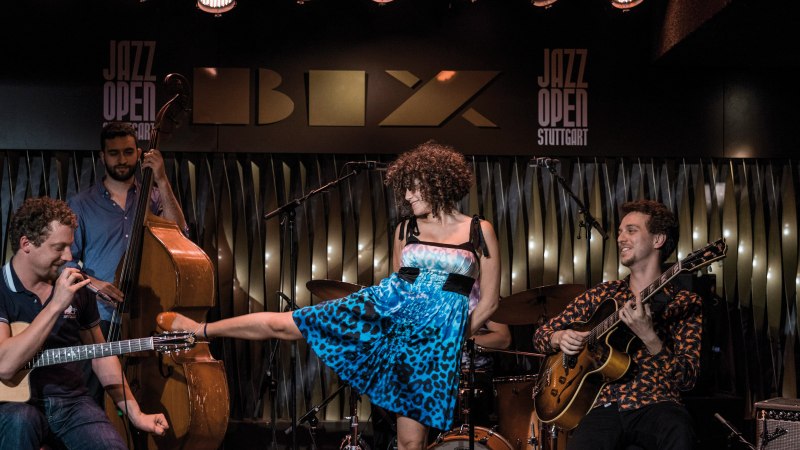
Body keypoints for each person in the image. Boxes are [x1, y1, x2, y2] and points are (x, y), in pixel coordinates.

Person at [158, 140, 501, 450]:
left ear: (436, 183)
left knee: (411, 443)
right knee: (289, 324)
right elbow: (397, 283)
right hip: (390, 314)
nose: (407, 197)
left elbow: (489, 302)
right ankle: (196, 331)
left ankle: (196, 331)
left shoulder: (478, 229)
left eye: (412, 189)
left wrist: (450, 339)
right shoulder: (406, 228)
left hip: (431, 349)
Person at [532, 199, 702, 450]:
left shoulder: (684, 302)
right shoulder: (601, 295)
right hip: (604, 404)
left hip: (657, 403)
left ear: (658, 240)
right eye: (621, 231)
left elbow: (687, 378)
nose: (621, 237)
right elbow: (540, 335)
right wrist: (560, 337)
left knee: (680, 433)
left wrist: (650, 337)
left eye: (631, 230)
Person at [0, 197, 168, 450]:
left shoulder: (78, 288)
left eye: (70, 246)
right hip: (14, 405)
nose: (68, 256)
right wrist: (57, 304)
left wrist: (136, 414)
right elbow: (5, 365)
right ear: (26, 244)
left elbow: (102, 356)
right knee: (21, 423)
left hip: (71, 401)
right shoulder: (2, 288)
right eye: (59, 247)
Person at [67, 121, 188, 338]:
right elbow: (65, 263)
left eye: (128, 152)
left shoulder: (154, 197)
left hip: (149, 314)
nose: (122, 160)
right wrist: (94, 285)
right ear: (103, 156)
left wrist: (161, 179)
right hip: (99, 318)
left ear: (140, 154)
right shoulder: (81, 205)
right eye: (114, 153)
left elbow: (179, 235)